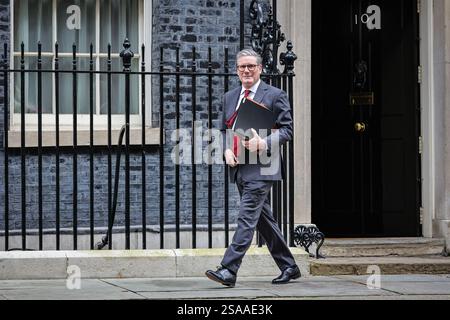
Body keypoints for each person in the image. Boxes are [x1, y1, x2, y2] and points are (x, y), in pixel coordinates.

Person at [205, 49, 300, 287]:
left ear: (259, 69)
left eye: (250, 66)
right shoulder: (229, 97)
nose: (246, 70)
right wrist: (227, 150)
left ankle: (228, 269)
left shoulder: (276, 95)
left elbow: (288, 130)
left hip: (263, 167)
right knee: (262, 220)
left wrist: (264, 142)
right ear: (237, 70)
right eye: (241, 67)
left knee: (246, 218)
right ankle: (289, 266)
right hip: (239, 167)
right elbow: (224, 130)